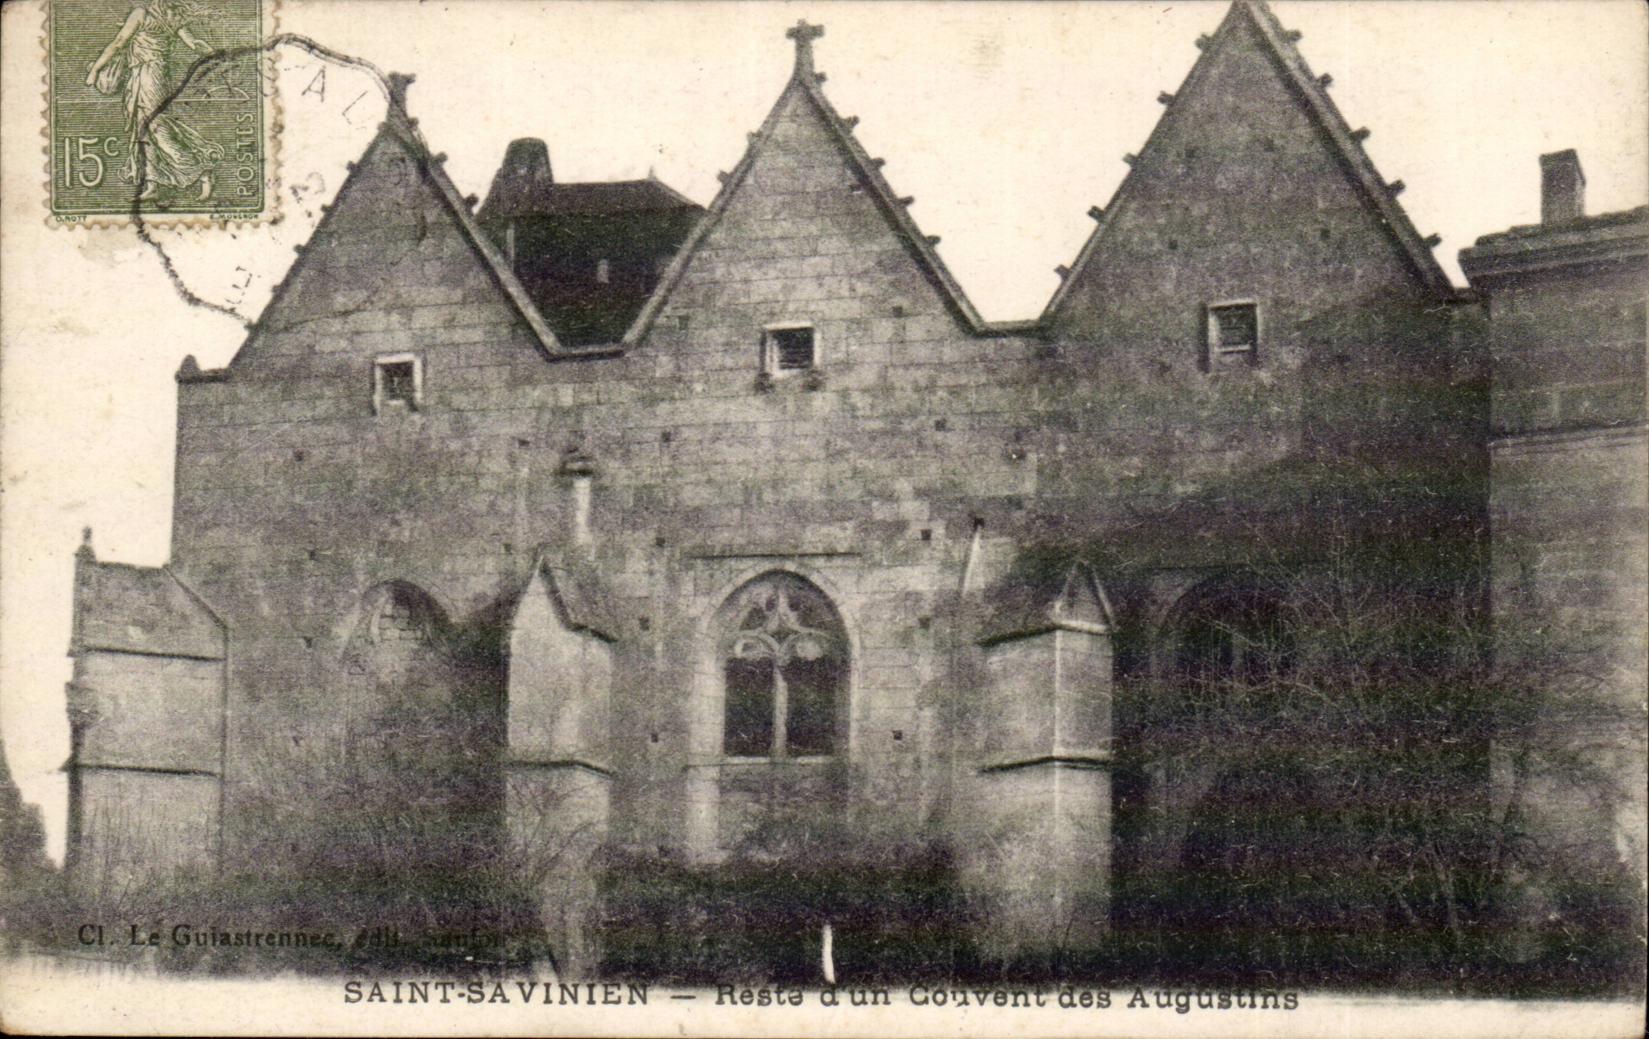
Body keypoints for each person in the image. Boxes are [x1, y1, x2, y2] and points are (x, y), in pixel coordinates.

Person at [85, 0, 222, 201]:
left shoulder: (139, 13)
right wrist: (215, 54)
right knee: (143, 127)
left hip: (148, 75)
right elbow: (194, 43)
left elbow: (118, 42)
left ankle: (201, 171)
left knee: (157, 127)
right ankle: (153, 183)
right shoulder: (173, 16)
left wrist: (96, 69)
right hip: (151, 74)